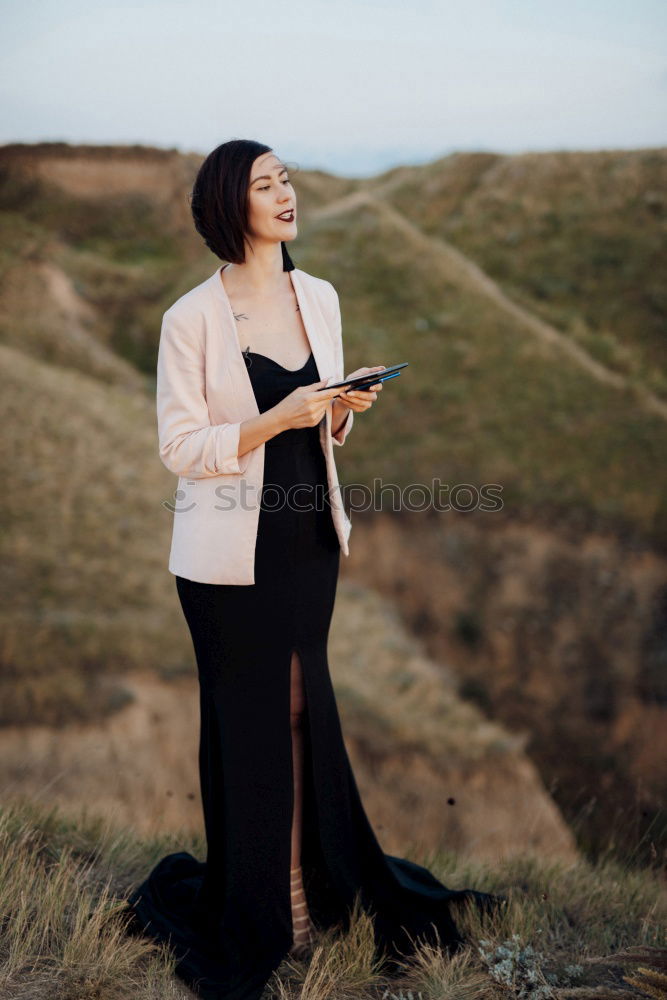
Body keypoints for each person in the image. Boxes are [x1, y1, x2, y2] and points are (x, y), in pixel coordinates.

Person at [126, 139, 504, 1000]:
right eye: (264, 184)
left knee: (303, 711)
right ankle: (271, 908)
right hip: (226, 557)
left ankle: (313, 887)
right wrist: (279, 412)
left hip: (303, 545)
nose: (284, 194)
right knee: (250, 724)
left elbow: (320, 432)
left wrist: (337, 414)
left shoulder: (319, 296)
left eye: (286, 178)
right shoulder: (190, 318)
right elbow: (180, 448)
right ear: (231, 205)